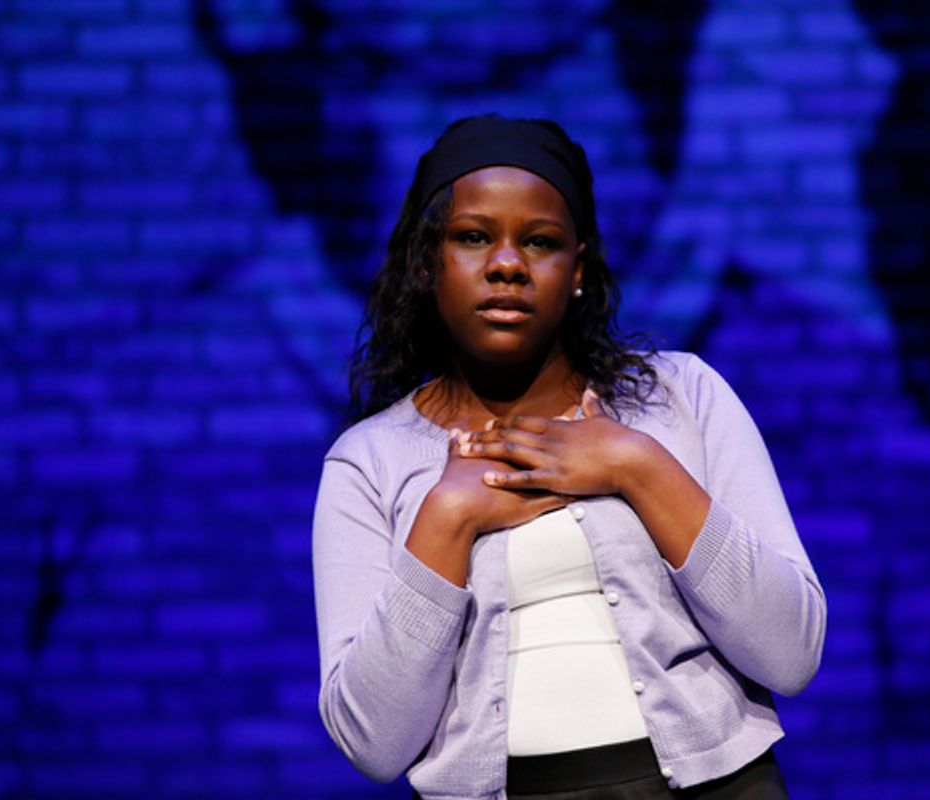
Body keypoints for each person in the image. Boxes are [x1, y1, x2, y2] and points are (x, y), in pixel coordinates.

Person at [312, 114, 826, 798]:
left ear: (577, 269)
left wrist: (636, 466)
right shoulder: (369, 463)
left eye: (540, 241)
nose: (506, 264)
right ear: (427, 263)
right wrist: (447, 517)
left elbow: (790, 653)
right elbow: (373, 742)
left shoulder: (682, 398)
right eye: (472, 238)